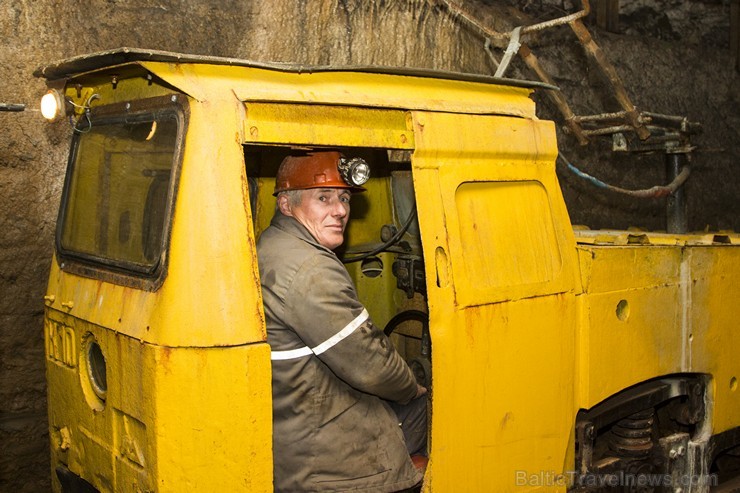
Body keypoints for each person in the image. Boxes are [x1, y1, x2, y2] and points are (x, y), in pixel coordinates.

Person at [257, 150, 428, 492]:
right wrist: (413, 387)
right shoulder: (311, 269)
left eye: (344, 198)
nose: (340, 210)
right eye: (324, 198)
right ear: (286, 204)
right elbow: (373, 366)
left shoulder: (270, 244)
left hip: (288, 420)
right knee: (422, 404)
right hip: (322, 457)